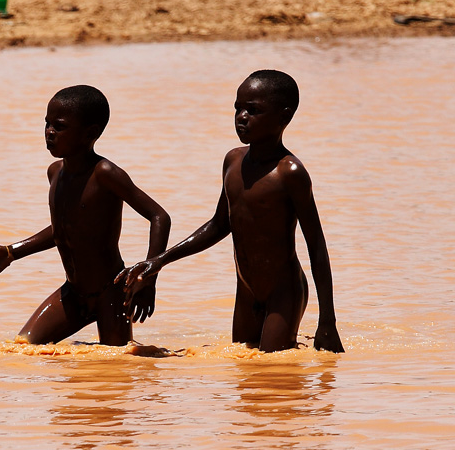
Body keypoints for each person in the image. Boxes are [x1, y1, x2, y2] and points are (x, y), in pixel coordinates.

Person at [117, 70, 344, 353]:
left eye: (253, 110)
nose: (242, 116)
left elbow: (317, 248)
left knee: (274, 376)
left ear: (284, 117)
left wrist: (327, 321)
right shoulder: (233, 161)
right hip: (246, 290)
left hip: (283, 292)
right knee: (244, 372)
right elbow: (218, 225)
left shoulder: (290, 173)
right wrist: (160, 261)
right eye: (238, 107)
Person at [0, 85, 171, 346]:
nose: (49, 132)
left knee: (118, 367)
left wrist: (147, 280)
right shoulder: (55, 173)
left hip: (110, 293)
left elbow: (159, 217)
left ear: (91, 132)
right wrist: (12, 252)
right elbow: (63, 229)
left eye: (59, 126)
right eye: (47, 124)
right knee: (21, 347)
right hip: (73, 294)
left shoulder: (105, 174)